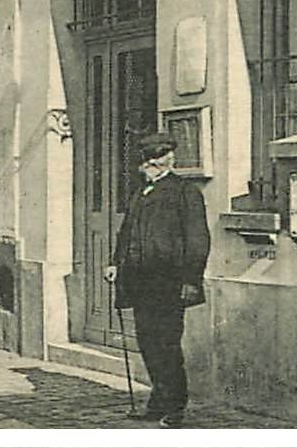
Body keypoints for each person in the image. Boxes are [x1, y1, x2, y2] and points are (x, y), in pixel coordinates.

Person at [105, 132, 210, 428]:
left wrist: (191, 280)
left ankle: (175, 406)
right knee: (148, 343)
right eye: (146, 162)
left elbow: (198, 241)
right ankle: (158, 401)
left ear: (162, 161)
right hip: (141, 283)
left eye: (152, 162)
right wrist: (115, 263)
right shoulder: (141, 193)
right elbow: (125, 233)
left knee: (167, 344)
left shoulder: (184, 192)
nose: (146, 167)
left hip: (169, 284)